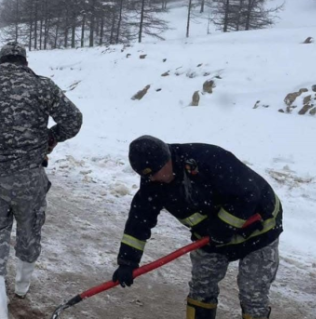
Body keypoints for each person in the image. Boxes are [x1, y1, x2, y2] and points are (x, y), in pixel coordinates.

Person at [113, 135, 283, 319]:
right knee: (201, 288)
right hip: (210, 236)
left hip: (260, 228)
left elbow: (248, 194)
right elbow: (139, 220)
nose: (153, 179)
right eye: (147, 176)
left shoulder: (207, 159)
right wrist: (127, 262)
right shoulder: (153, 183)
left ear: (167, 159)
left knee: (252, 293)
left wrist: (224, 227)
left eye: (155, 172)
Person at [0, 43, 83, 318]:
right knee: (29, 231)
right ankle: (21, 286)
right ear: (24, 61)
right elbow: (73, 120)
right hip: (30, 178)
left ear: (0, 61)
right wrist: (50, 137)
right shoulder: (43, 86)